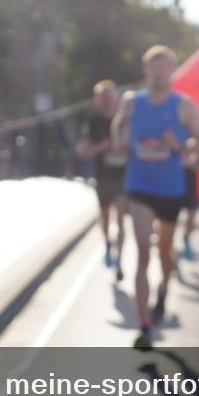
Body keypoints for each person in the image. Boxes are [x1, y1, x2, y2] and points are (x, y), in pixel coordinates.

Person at [112, 46, 199, 351]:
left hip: (171, 188)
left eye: (165, 67)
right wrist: (120, 140)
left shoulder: (183, 105)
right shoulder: (132, 102)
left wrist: (178, 145)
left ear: (172, 71)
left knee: (165, 252)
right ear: (146, 70)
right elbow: (118, 126)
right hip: (139, 184)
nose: (160, 73)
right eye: (154, 67)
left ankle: (164, 289)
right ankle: (144, 325)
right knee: (142, 251)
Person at [76, 79, 128, 282]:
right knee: (105, 216)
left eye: (110, 95)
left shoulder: (124, 119)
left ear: (116, 97)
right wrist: (101, 148)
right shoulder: (93, 122)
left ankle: (120, 259)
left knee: (122, 217)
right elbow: (83, 150)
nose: (107, 100)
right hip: (102, 175)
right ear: (98, 100)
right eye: (103, 96)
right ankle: (107, 243)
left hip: (123, 175)